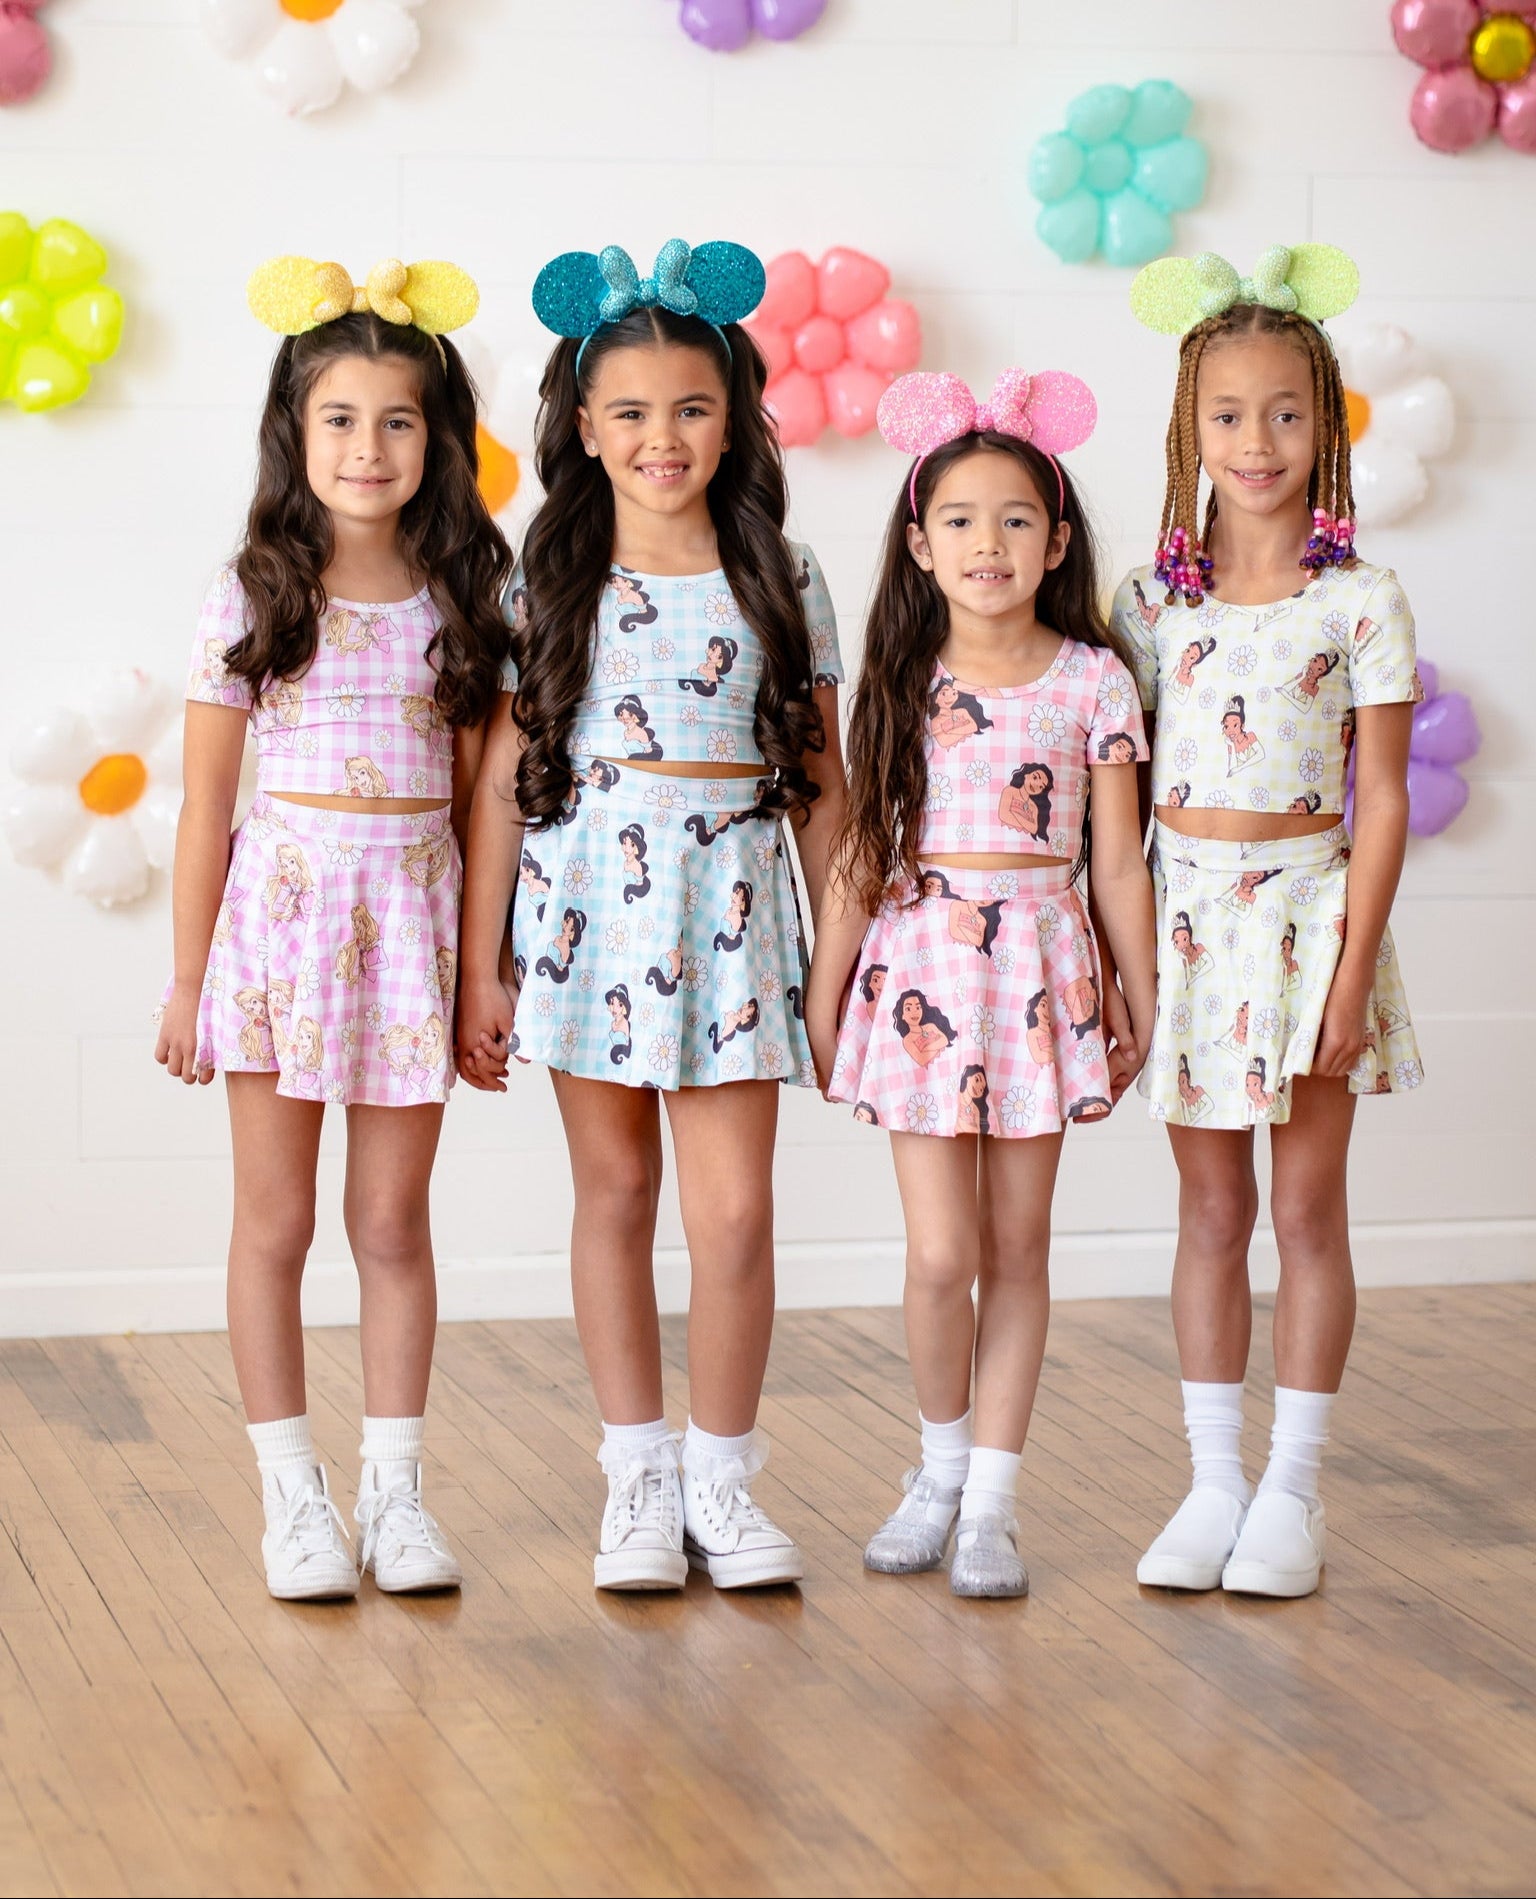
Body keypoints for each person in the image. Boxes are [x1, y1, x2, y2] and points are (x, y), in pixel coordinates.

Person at [457, 238, 846, 1593]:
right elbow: (501, 788)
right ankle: (637, 1474)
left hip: (737, 917)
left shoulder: (784, 574)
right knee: (615, 1192)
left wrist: (840, 964)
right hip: (586, 921)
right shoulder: (544, 579)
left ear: (733, 419)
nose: (661, 436)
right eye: (629, 411)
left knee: (733, 1217)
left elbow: (824, 792)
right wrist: (482, 965)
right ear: (583, 426)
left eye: (690, 407)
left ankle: (723, 1480)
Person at [153, 255, 512, 1600]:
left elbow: (480, 807)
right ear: (296, 435)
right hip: (277, 935)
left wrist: (480, 971)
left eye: (399, 420)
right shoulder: (253, 591)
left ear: (440, 436)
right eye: (342, 419)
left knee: (392, 1222)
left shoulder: (470, 596)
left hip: (412, 931)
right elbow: (206, 808)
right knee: (274, 1221)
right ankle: (291, 1495)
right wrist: (188, 979)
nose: (370, 447)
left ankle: (395, 1494)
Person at [807, 366, 1156, 1600]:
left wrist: (1137, 992)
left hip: (1042, 982)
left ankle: (993, 1504)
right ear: (920, 543)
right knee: (938, 1252)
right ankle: (938, 1468)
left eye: (1015, 519)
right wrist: (824, 993)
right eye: (959, 520)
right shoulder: (902, 678)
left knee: (1017, 1245)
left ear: (1056, 541)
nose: (988, 543)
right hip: (922, 970)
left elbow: (1118, 861)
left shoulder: (1094, 680)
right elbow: (862, 853)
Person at [1113, 242, 1425, 1599]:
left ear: (1328, 424)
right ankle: (1212, 1481)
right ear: (1190, 427)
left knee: (1304, 1207)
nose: (1257, 442)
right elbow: (1113, 797)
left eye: (1287, 413)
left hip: (1309, 924)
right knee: (1209, 1205)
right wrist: (1124, 960)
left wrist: (1349, 975)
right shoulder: (1150, 602)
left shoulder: (1363, 599)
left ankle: (1293, 1489)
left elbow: (1384, 795)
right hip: (1188, 925)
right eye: (1230, 415)